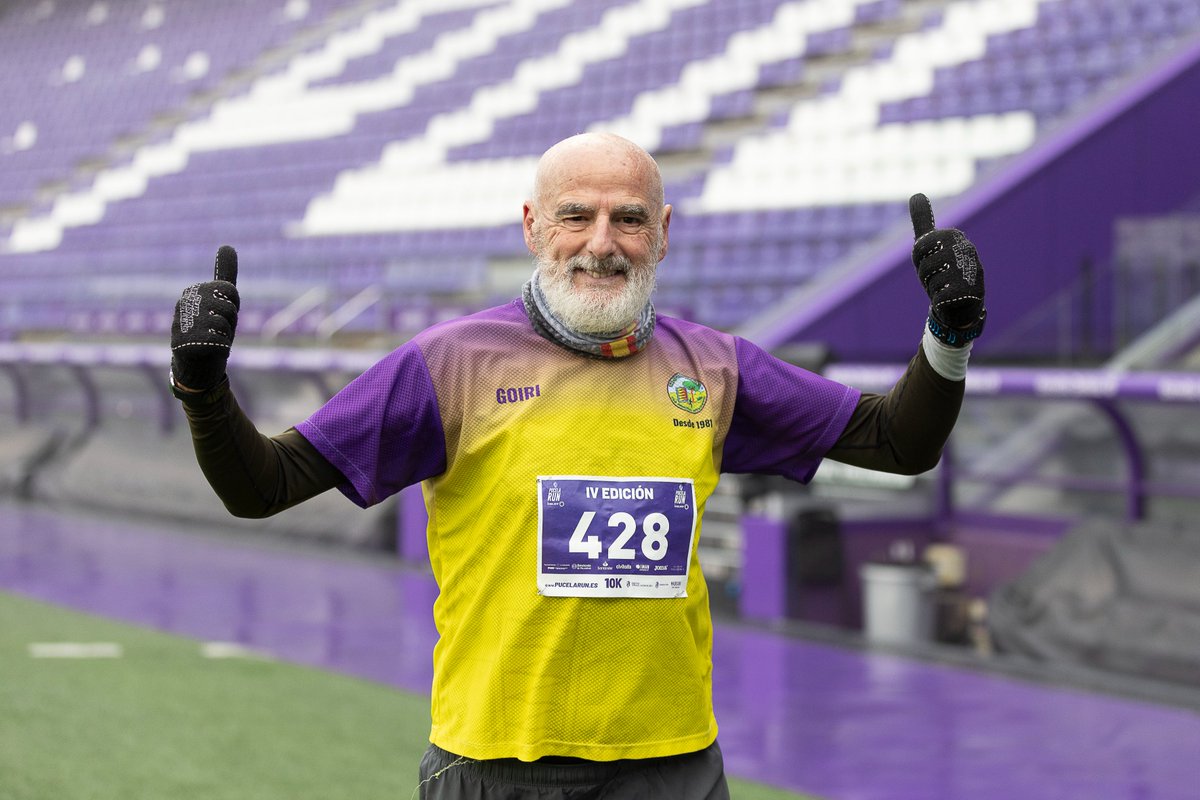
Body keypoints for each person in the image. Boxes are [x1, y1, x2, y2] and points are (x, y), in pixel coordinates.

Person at [169, 132, 986, 799]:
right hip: (496, 764)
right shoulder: (448, 365)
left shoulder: (715, 368)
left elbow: (897, 442)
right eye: (575, 216)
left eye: (629, 218)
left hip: (672, 767)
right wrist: (202, 388)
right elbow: (264, 485)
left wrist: (948, 337)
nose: (603, 243)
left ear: (663, 231)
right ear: (532, 226)